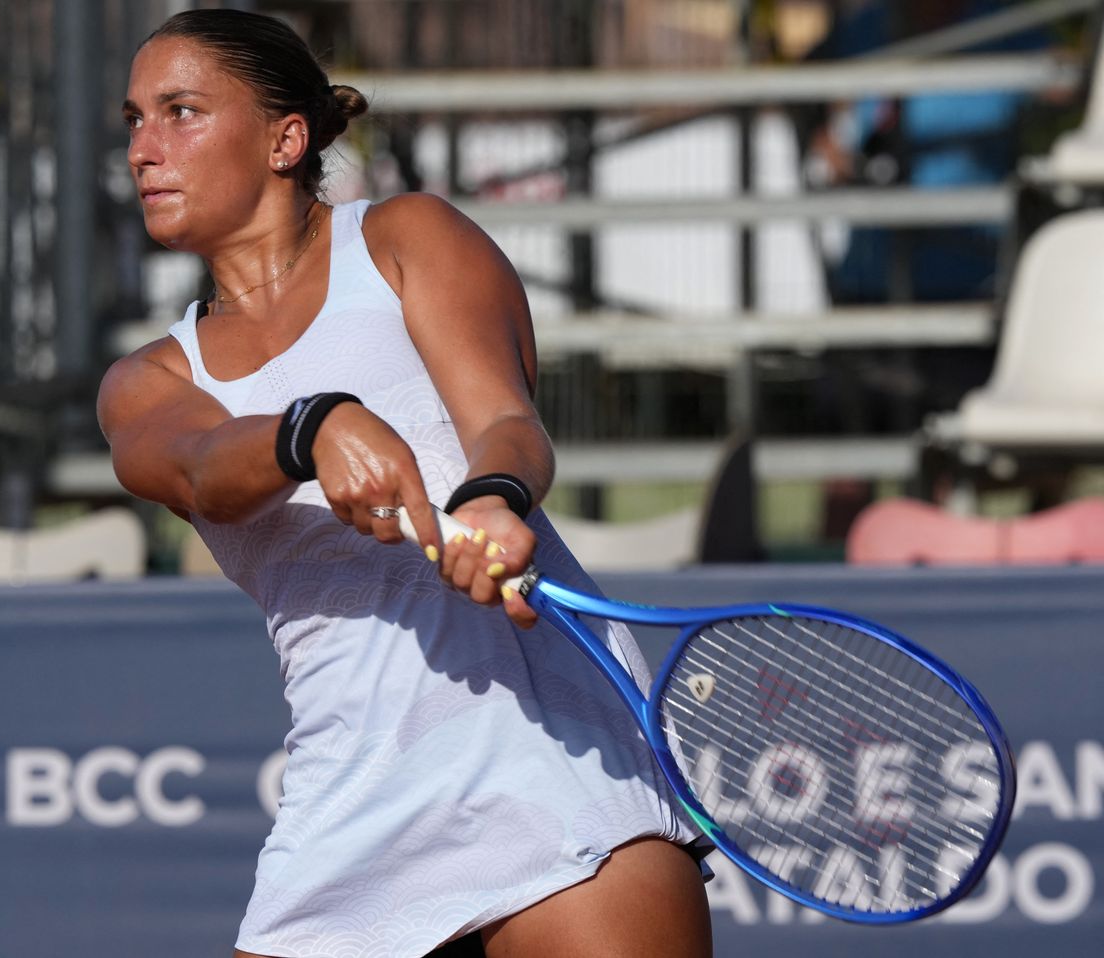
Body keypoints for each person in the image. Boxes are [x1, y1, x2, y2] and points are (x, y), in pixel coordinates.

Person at [98, 9, 713, 957]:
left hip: (552, 761)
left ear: (284, 138)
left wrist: (494, 499)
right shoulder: (148, 380)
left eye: (180, 111)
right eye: (134, 119)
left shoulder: (405, 237)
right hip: (349, 799)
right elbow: (198, 469)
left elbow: (506, 424)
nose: (145, 147)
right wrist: (312, 427)